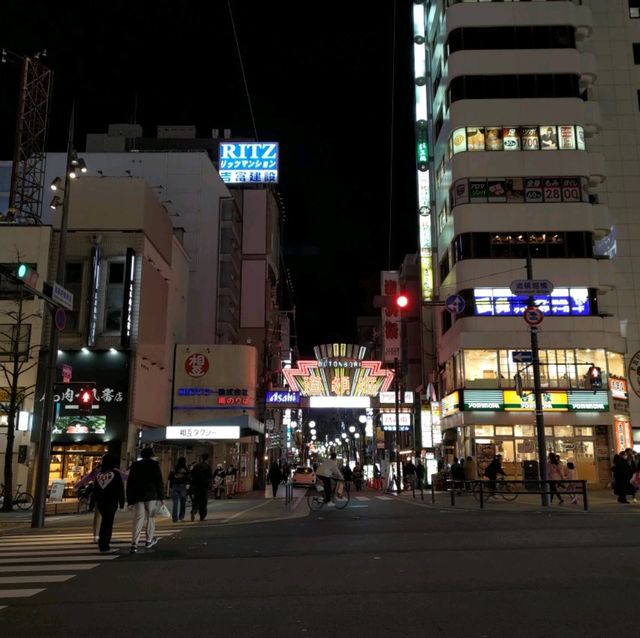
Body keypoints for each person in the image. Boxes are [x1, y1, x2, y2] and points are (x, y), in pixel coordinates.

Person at [75, 462, 128, 543]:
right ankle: (105, 537)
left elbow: (86, 479)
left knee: (97, 516)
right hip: (110, 497)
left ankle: (96, 536)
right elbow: (125, 477)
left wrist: (77, 485)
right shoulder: (114, 471)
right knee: (108, 519)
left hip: (98, 496)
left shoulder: (97, 471)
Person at [126, 447, 165, 554]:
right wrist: (162, 497)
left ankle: (134, 544)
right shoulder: (154, 465)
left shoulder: (135, 465)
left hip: (138, 496)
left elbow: (130, 483)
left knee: (138, 519)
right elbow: (159, 481)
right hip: (152, 496)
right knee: (151, 518)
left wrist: (129, 500)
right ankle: (149, 540)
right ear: (151, 455)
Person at [92, 453, 125, 552]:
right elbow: (120, 489)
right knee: (108, 523)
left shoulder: (99, 474)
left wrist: (93, 502)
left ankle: (102, 542)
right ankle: (104, 544)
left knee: (105, 522)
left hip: (101, 502)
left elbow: (95, 489)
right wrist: (122, 501)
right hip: (112, 501)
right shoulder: (115, 474)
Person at [190, 454, 213, 521]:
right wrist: (210, 486)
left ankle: (193, 511)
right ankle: (202, 516)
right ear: (207, 459)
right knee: (203, 502)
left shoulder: (196, 466)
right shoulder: (208, 467)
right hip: (204, 487)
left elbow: (192, 475)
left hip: (196, 486)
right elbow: (210, 477)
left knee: (196, 500)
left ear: (201, 458)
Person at [168, 457, 190, 523]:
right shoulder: (185, 469)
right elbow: (188, 478)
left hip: (175, 486)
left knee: (175, 503)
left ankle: (175, 518)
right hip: (183, 486)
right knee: (183, 502)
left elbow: (169, 477)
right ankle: (181, 517)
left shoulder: (174, 469)